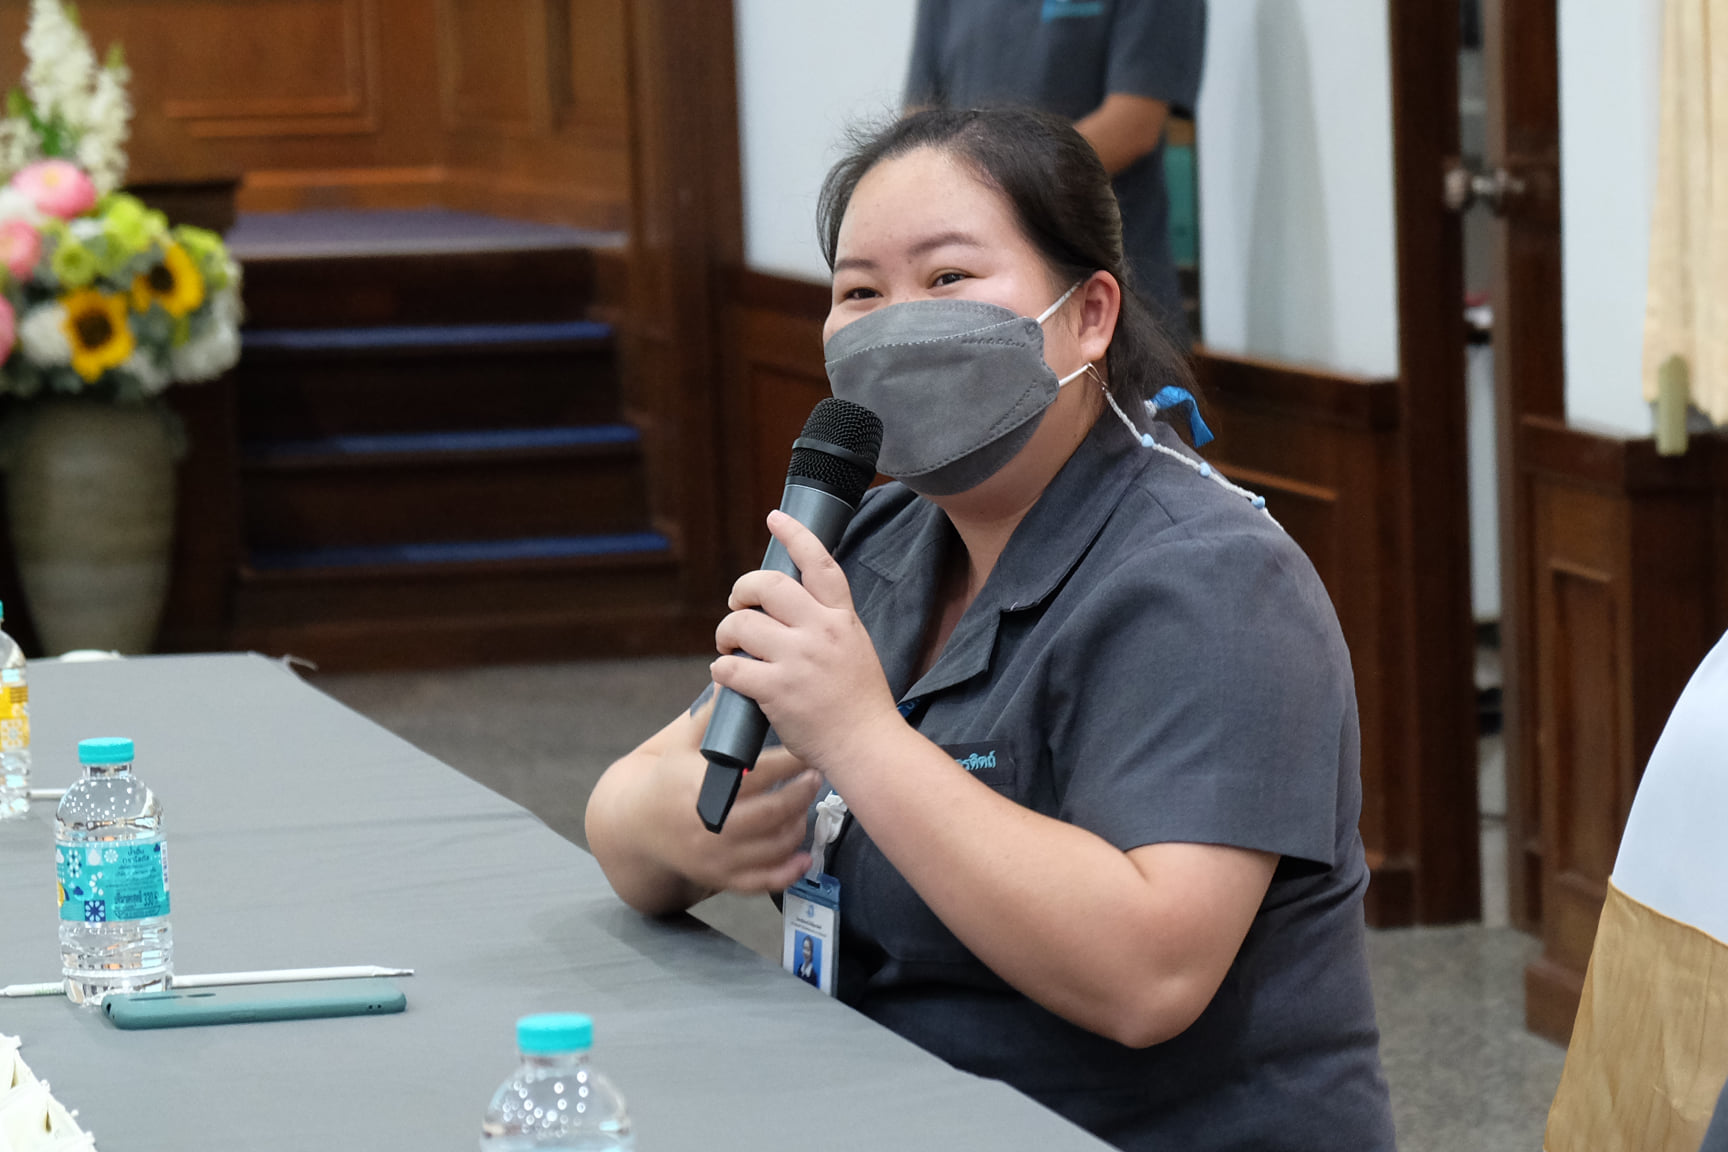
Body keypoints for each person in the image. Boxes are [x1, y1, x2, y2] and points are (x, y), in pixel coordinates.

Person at [585, 106, 1395, 1152]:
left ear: (1090, 314)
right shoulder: (869, 537)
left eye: (949, 279)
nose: (897, 322)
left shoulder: (1213, 580)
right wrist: (688, 825)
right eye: (860, 292)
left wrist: (865, 742)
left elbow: (1150, 975)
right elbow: (625, 817)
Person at [904, 0, 1205, 342]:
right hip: (967, 309)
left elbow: (1132, 125)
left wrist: (986, 195)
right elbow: (919, 127)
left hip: (1107, 301)